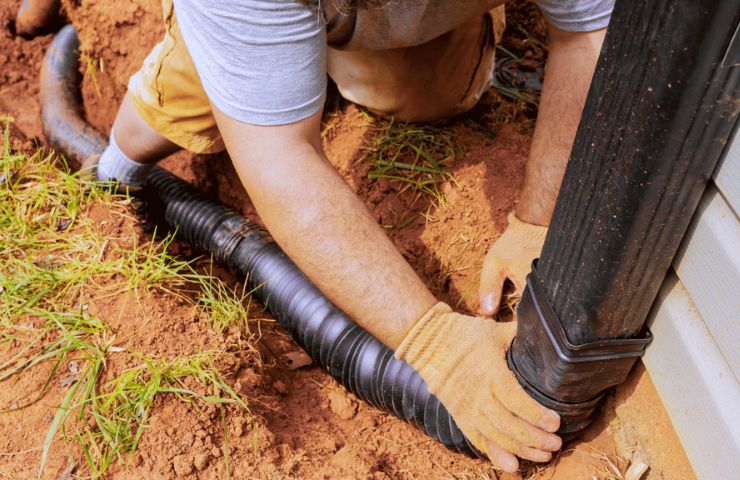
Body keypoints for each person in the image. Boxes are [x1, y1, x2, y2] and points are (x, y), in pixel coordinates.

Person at [83, 0, 610, 472]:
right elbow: (279, 157)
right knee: (150, 126)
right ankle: (112, 168)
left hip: (402, 17)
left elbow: (591, 31)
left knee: (432, 96)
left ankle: (306, 70)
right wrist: (434, 346)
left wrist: (539, 219)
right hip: (255, 17)